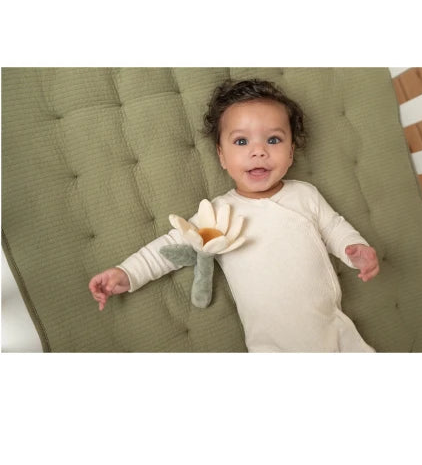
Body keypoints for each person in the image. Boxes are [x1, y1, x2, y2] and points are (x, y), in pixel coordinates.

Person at [89, 78, 380, 352]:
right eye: (241, 142)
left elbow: (334, 227)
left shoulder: (305, 194)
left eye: (273, 140)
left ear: (291, 152)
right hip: (270, 345)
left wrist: (355, 248)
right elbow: (171, 245)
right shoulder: (218, 214)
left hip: (335, 332)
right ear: (222, 156)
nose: (258, 151)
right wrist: (127, 273)